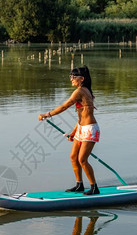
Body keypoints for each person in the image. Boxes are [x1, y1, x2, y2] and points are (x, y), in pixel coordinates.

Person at [38, 66, 100, 195]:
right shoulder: (83, 90)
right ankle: (79, 185)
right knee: (73, 157)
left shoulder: (80, 91)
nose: (71, 79)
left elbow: (64, 106)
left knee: (82, 160)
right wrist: (73, 132)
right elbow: (81, 116)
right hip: (81, 128)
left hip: (89, 129)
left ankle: (94, 188)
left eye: (73, 77)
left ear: (81, 79)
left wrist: (47, 114)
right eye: (70, 76)